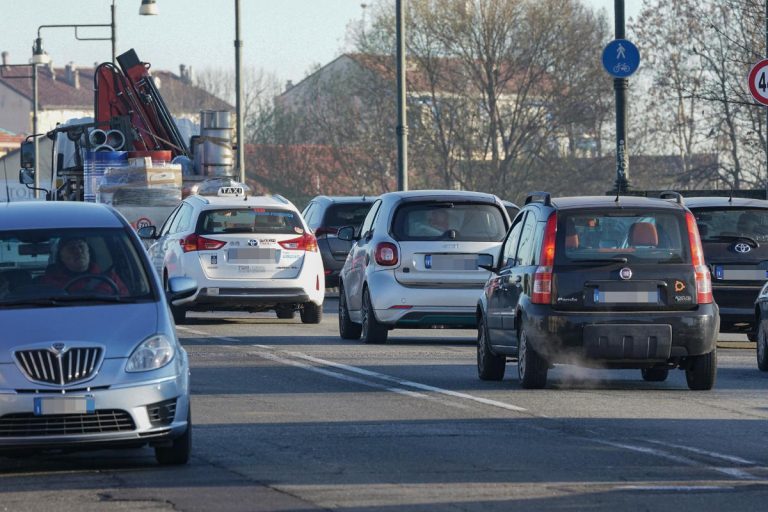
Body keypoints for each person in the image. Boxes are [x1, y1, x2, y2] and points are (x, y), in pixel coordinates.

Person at [40, 236, 129, 295]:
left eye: (81, 246)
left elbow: (127, 301)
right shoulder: (51, 282)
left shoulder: (111, 278)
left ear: (88, 252)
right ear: (61, 257)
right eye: (71, 248)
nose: (78, 251)